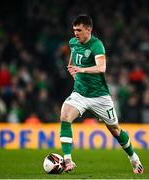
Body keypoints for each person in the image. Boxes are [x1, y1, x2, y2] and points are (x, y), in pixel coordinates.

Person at [59, 14, 144, 174]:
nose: (75, 33)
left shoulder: (97, 45)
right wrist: (73, 70)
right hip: (80, 94)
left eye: (79, 30)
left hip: (100, 97)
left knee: (115, 131)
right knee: (65, 116)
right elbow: (72, 60)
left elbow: (101, 67)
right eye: (74, 30)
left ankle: (133, 157)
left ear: (88, 30)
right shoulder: (73, 43)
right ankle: (68, 160)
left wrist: (82, 69)